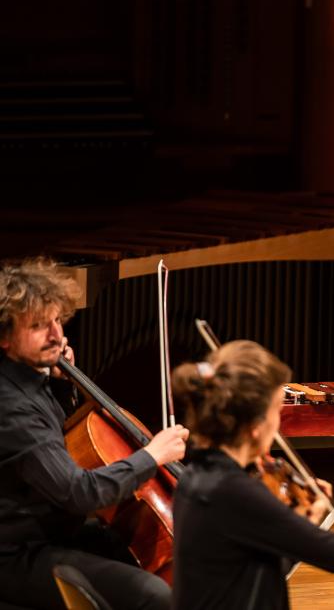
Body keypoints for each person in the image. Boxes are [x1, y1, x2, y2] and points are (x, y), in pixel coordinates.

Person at [0, 258, 189, 609]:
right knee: (154, 594)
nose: (56, 334)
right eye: (39, 325)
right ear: (5, 339)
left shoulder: (34, 379)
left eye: (57, 320)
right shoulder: (12, 409)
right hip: (17, 556)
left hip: (55, 534)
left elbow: (65, 439)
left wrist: (61, 383)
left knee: (145, 552)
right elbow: (79, 492)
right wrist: (152, 456)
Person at [171, 340, 334, 610]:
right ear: (256, 427)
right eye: (277, 410)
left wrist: (305, 522)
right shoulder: (236, 491)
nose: (278, 422)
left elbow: (259, 563)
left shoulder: (197, 474)